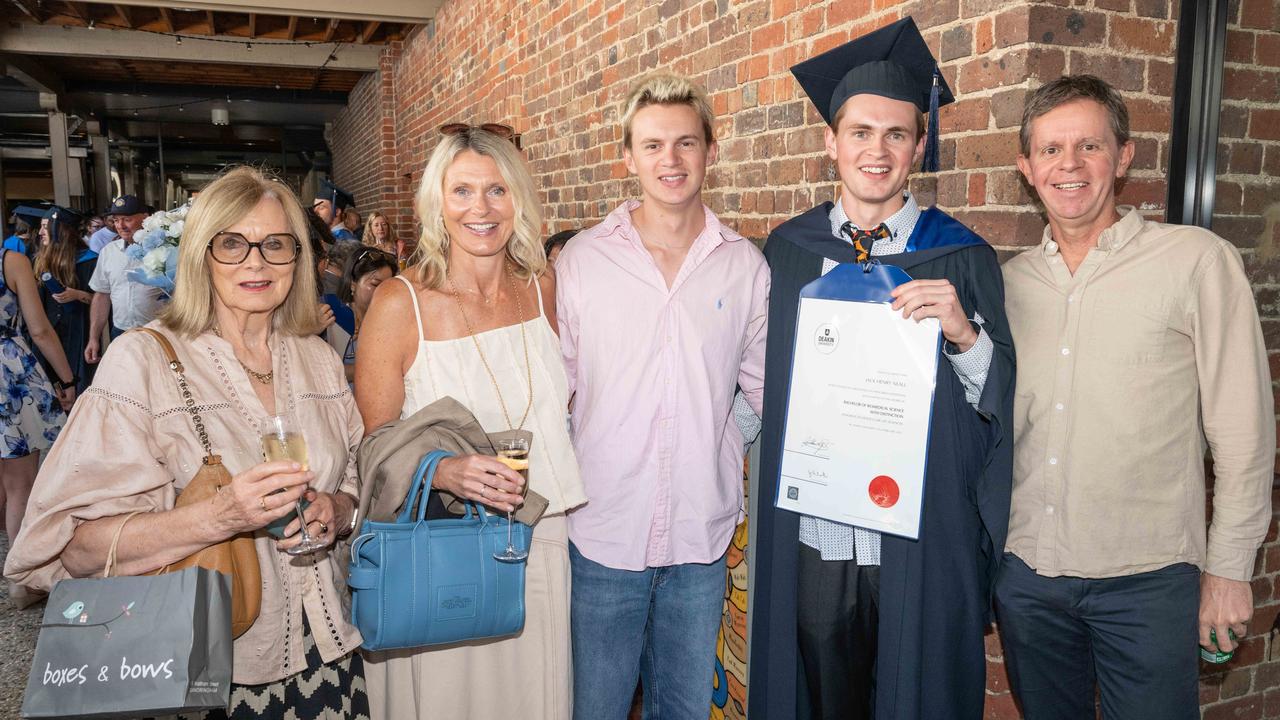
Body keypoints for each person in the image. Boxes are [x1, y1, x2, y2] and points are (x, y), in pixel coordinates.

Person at [4, 166, 370, 719]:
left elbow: (357, 476)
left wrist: (338, 510)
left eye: (275, 244)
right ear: (201, 254)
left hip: (331, 653)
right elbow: (71, 545)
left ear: (298, 258)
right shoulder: (143, 361)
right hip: (208, 671)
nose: (256, 261)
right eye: (232, 243)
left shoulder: (318, 357)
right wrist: (221, 515)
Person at [747, 18, 1015, 720]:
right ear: (830, 142)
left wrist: (963, 334)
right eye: (860, 132)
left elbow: (999, 404)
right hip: (817, 533)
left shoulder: (960, 257)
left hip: (918, 532)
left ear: (919, 145)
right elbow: (759, 386)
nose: (877, 150)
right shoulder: (788, 254)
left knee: (914, 696)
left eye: (897, 134)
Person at [995, 75, 1274, 719]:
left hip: (1149, 586)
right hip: (1030, 580)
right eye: (1050, 150)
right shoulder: (1008, 285)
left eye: (1089, 146)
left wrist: (1229, 571)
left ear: (1123, 157)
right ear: (1026, 168)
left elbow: (1243, 434)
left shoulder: (1196, 262)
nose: (1069, 165)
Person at [555, 73, 767, 720]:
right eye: (652, 145)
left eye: (684, 143)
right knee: (596, 708)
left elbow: (763, 388)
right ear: (628, 156)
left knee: (681, 709)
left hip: (699, 542)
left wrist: (717, 437)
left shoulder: (743, 266)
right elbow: (556, 392)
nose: (669, 160)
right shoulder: (583, 262)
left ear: (709, 150)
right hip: (601, 535)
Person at [356, 125, 585, 720]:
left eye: (497, 191)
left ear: (520, 201)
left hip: (539, 540)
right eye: (461, 191)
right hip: (443, 547)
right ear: (436, 202)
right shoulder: (398, 304)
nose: (479, 209)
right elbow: (374, 448)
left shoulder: (545, 288)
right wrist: (445, 469)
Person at [0, 222, 77, 608]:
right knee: (20, 486)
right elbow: (40, 329)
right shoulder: (10, 262)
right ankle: (19, 580)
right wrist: (67, 378)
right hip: (7, 374)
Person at [86, 195, 164, 362]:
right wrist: (94, 338)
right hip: (121, 333)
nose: (120, 226)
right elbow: (102, 295)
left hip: (160, 334)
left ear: (145, 218)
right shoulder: (109, 252)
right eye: (115, 220)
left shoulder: (166, 250)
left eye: (127, 219)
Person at [33, 206, 98, 394]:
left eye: (45, 226)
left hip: (80, 332)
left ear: (59, 230)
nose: (40, 232)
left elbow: (103, 302)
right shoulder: (39, 261)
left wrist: (78, 295)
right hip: (49, 333)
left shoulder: (90, 261)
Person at [326, 246, 397, 384]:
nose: (383, 291)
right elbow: (322, 374)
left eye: (389, 285)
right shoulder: (332, 317)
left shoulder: (391, 321)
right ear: (353, 283)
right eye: (375, 284)